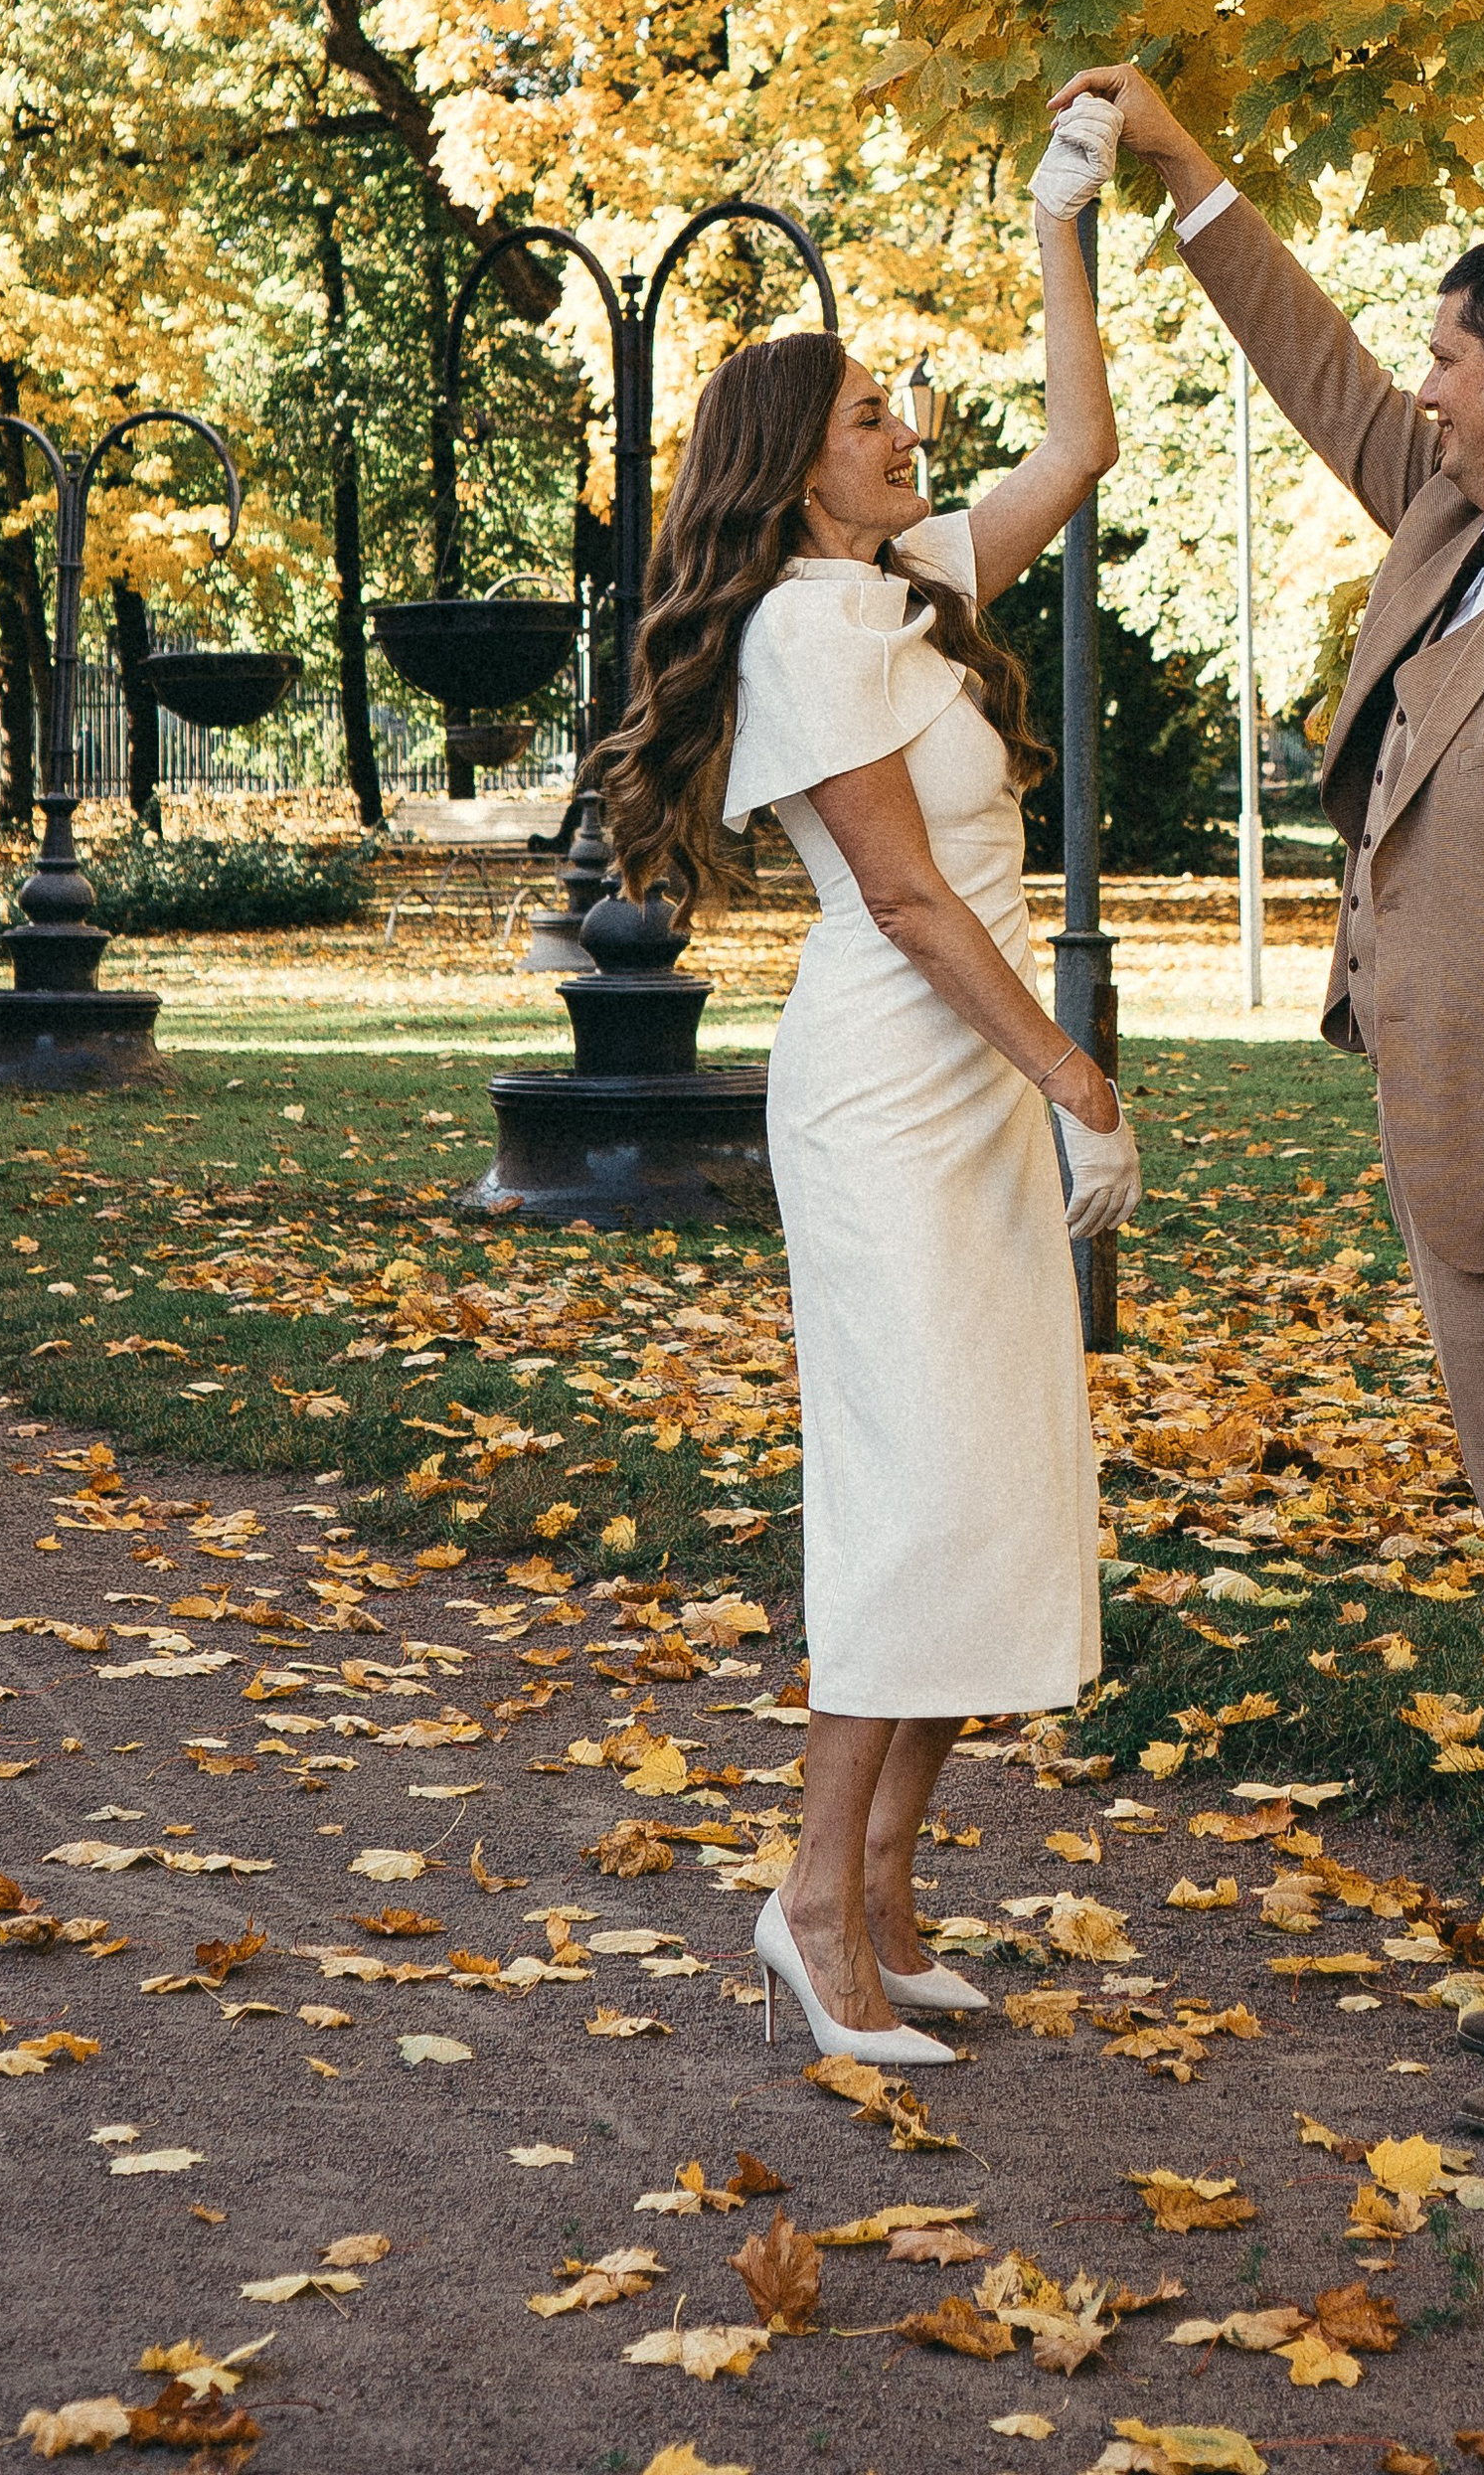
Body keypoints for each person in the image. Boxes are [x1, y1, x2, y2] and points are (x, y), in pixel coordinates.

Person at [1055, 66, 1484, 2140]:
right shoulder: (1472, 519)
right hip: (1471, 1136)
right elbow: (1314, 373)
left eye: (1449, 352)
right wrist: (1185, 175)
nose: (1420, 385)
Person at [595, 101, 1138, 2066]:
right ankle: (810, 1900)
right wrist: (1077, 1075)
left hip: (968, 1085)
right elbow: (905, 897)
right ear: (785, 465)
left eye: (905, 413)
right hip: (895, 1093)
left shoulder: (903, 579)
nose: (905, 438)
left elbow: (1077, 447)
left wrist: (1058, 222)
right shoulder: (804, 629)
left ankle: (896, 1886)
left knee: (986, 1488)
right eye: (867, 422)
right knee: (917, 1496)